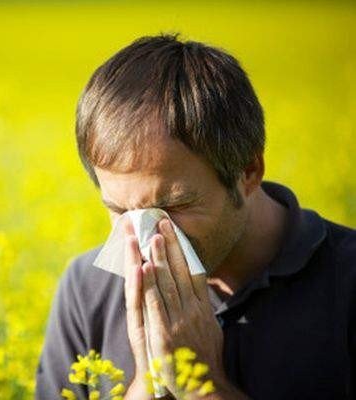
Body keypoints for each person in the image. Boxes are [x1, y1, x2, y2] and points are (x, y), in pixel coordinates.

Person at [34, 33, 356, 399]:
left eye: (174, 206)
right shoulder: (86, 290)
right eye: (120, 210)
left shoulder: (346, 282)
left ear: (248, 171)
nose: (146, 240)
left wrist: (199, 385)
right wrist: (149, 383)